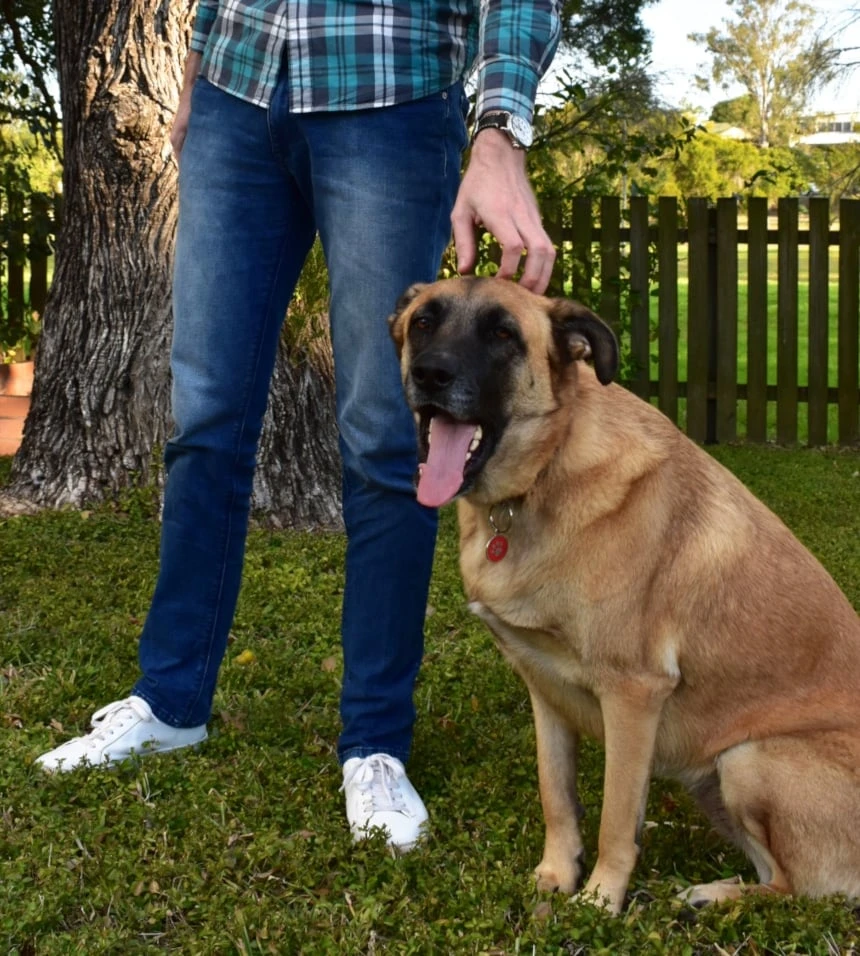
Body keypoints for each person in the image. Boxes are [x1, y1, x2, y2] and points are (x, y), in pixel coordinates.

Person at [37, 0, 561, 852]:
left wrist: (499, 129)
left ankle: (376, 743)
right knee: (204, 417)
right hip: (237, 96)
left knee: (385, 436)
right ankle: (170, 702)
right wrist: (200, 75)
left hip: (387, 96)